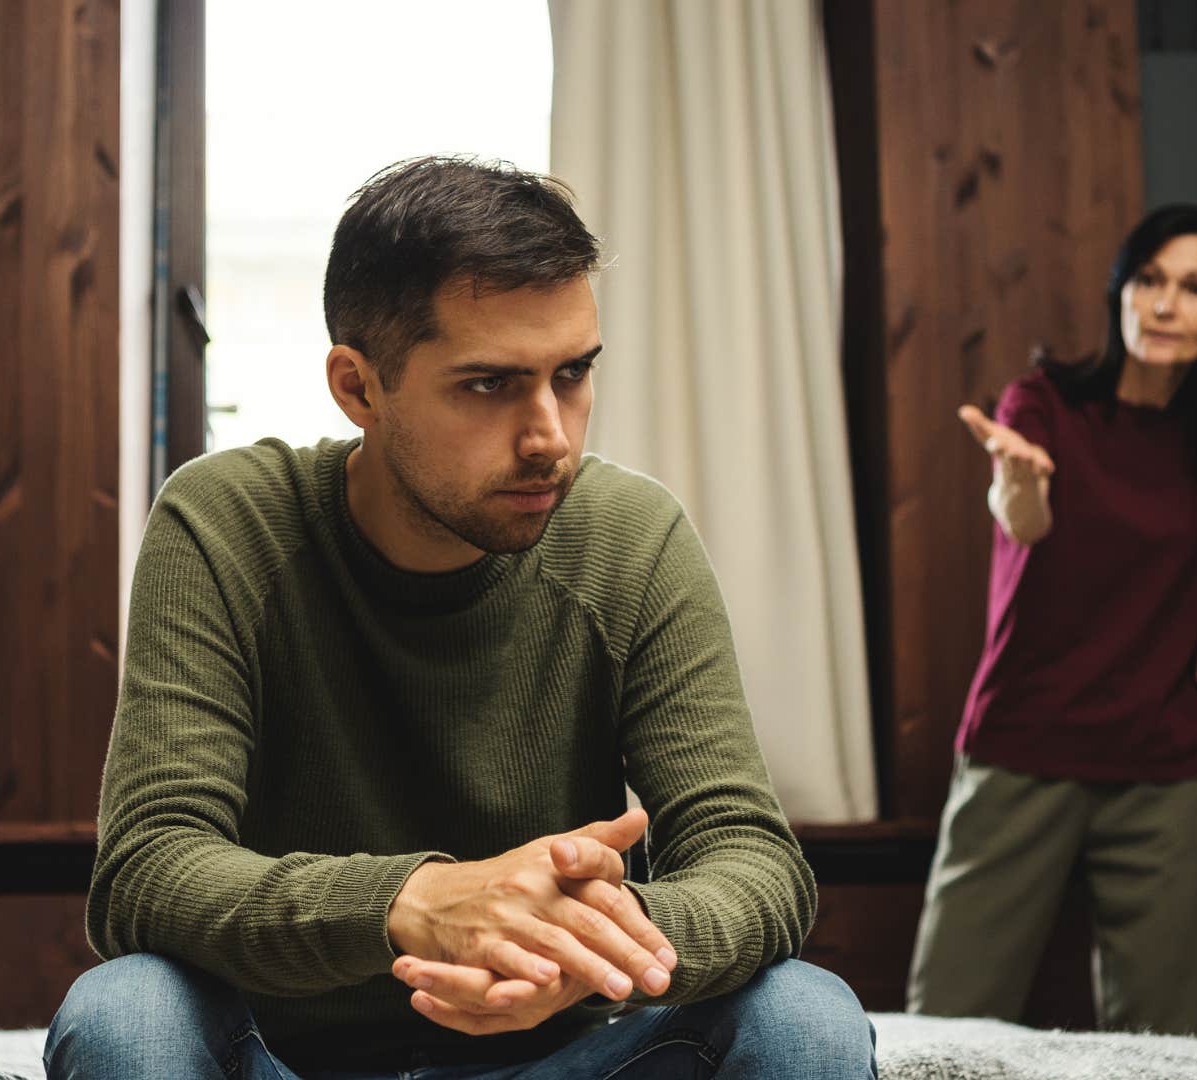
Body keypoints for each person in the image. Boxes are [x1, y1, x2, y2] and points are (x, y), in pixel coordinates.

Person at [45, 157, 874, 1079]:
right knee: (125, 1011)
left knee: (804, 1014)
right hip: (280, 1061)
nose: (550, 436)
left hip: (558, 1062)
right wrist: (414, 899)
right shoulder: (224, 522)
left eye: (572, 373)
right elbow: (148, 870)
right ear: (359, 388)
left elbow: (753, 860)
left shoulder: (632, 538)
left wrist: (589, 945)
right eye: (489, 384)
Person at [907, 203, 1197, 1035]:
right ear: (1121, 291)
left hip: (1165, 771)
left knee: (1164, 1044)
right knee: (947, 1026)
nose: (1165, 305)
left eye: (1194, 288)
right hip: (1022, 750)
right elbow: (1024, 517)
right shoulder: (1045, 403)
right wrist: (1018, 480)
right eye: (1150, 279)